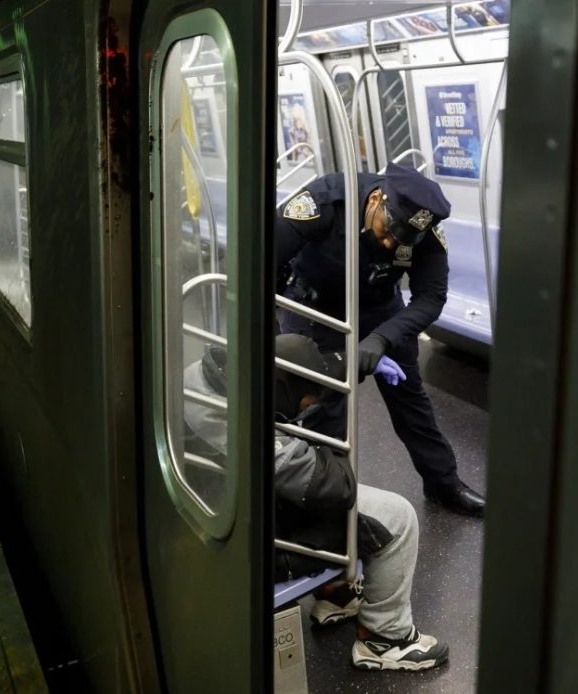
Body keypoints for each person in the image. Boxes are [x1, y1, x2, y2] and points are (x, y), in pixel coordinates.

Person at [183, 334, 450, 671]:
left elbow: (297, 372)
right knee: (397, 517)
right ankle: (386, 639)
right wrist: (329, 443)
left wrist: (350, 362)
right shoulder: (237, 429)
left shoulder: (211, 374)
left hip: (217, 508)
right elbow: (335, 488)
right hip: (247, 541)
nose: (307, 408)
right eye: (305, 402)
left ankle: (335, 593)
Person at [275, 163, 486, 517]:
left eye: (401, 241)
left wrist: (382, 339)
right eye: (388, 232)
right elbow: (265, 254)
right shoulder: (325, 202)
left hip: (379, 307)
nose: (390, 243)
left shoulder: (424, 230)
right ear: (376, 199)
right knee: (324, 407)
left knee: (411, 399)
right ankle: (322, 500)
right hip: (315, 308)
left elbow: (431, 296)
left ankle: (443, 483)